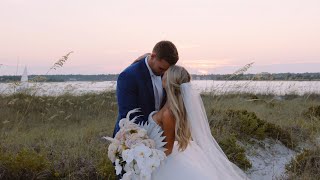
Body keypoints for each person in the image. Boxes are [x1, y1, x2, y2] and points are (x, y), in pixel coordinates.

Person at [149, 65, 249, 179]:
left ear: (169, 81)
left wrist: (147, 155)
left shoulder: (168, 113)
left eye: (166, 74)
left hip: (165, 161)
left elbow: (168, 149)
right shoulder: (172, 107)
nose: (163, 75)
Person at [113, 40, 179, 137]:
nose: (164, 73)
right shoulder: (128, 76)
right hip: (132, 137)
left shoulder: (165, 73)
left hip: (159, 137)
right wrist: (152, 132)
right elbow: (129, 116)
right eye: (161, 68)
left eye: (167, 70)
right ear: (153, 56)